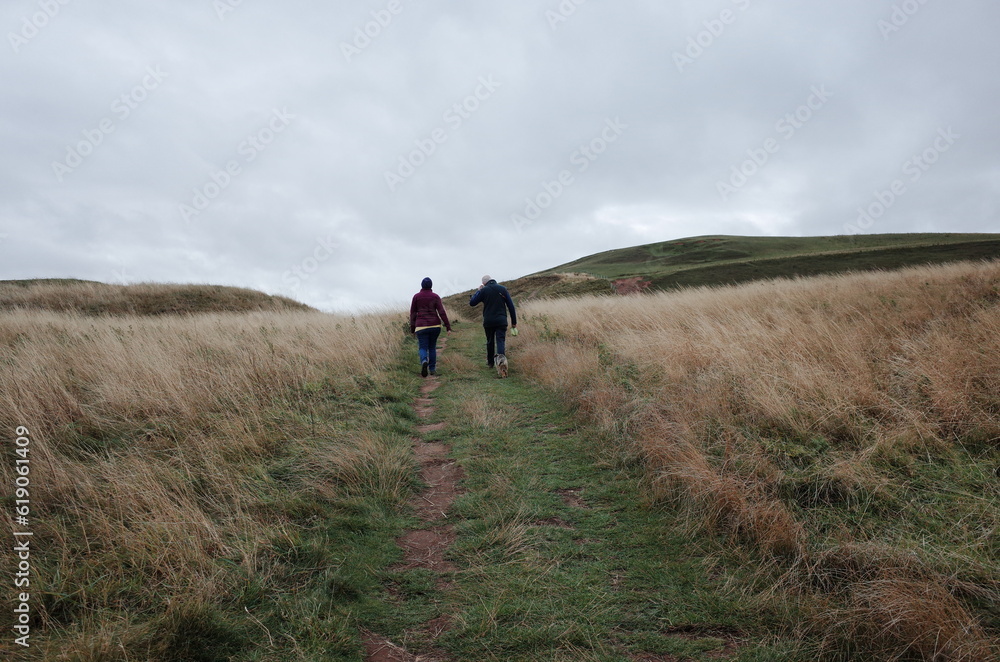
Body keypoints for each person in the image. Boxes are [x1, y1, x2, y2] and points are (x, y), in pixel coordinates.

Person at [469, 274, 517, 373]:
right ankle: (501, 362)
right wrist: (514, 322)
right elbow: (511, 306)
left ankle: (491, 362)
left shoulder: (483, 290)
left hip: (488, 321)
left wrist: (478, 290)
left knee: (490, 341)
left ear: (483, 283)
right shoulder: (502, 289)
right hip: (501, 320)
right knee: (500, 341)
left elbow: (472, 302)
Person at [409, 277, 451, 377]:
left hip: (421, 326)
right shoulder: (435, 297)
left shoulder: (416, 297)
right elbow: (442, 312)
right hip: (435, 325)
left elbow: (413, 313)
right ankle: (432, 369)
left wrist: (412, 328)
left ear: (421, 285)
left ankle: (424, 361)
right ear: (431, 286)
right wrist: (447, 326)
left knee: (423, 347)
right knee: (432, 347)